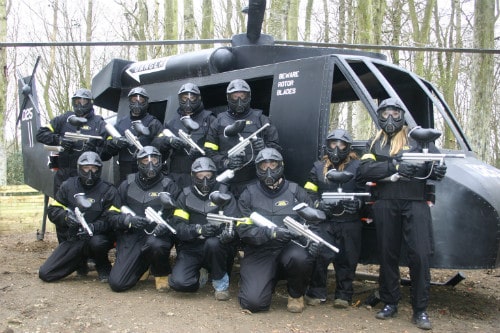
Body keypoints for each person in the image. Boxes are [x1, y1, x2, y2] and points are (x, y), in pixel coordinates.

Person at [357, 98, 447, 330]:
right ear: (379, 116)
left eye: (395, 113)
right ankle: (390, 302)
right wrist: (394, 167)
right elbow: (364, 171)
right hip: (385, 202)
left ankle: (420, 309)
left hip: (415, 202)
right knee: (387, 255)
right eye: (385, 113)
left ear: (402, 115)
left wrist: (437, 169)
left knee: (420, 255)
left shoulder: (418, 138)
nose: (390, 118)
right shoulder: (374, 143)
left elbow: (434, 171)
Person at [235, 148, 318, 313]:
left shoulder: (296, 192)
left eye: (273, 165)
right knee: (253, 303)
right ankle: (264, 281)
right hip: (260, 250)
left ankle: (296, 294)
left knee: (300, 257)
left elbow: (312, 222)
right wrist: (269, 233)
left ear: (280, 166)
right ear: (257, 168)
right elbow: (243, 230)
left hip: (289, 247)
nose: (268, 170)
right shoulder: (249, 194)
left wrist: (310, 241)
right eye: (263, 166)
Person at [303, 129, 365, 308]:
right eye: (333, 144)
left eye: (341, 144)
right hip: (325, 221)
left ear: (348, 147)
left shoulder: (357, 167)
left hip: (350, 221)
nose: (337, 148)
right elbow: (309, 193)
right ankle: (316, 292)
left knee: (348, 259)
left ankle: (344, 295)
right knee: (320, 256)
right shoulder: (317, 167)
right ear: (327, 145)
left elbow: (365, 192)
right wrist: (318, 205)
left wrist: (359, 204)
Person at [36, 88, 107, 242]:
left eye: (84, 101)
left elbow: (107, 148)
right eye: (77, 101)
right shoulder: (64, 119)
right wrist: (59, 140)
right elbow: (41, 134)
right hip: (64, 174)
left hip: (87, 177)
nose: (80, 105)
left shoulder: (98, 123)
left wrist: (94, 149)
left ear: (90, 103)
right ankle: (65, 248)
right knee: (62, 211)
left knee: (88, 211)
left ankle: (86, 250)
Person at [106, 146, 180, 293]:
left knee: (156, 245)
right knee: (117, 284)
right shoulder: (126, 184)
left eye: (154, 159)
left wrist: (166, 226)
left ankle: (161, 272)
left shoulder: (169, 185)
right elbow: (111, 215)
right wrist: (127, 221)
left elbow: (179, 216)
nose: (150, 163)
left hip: (157, 235)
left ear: (160, 161)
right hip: (132, 235)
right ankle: (143, 266)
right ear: (138, 163)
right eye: (145, 160)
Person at [38, 152, 117, 283]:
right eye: (86, 168)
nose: (90, 172)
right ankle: (79, 262)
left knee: (98, 243)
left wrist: (94, 227)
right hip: (75, 237)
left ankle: (103, 266)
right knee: (46, 273)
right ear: (79, 168)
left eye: (94, 168)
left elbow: (111, 219)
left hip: (98, 237)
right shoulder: (68, 186)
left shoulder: (108, 190)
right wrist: (66, 218)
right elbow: (53, 210)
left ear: (99, 169)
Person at [168, 157, 240, 301]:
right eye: (200, 176)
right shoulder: (185, 196)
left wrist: (228, 235)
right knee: (180, 283)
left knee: (213, 244)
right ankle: (200, 272)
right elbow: (178, 227)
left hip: (218, 248)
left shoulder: (225, 193)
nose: (204, 180)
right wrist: (198, 230)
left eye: (208, 175)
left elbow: (235, 222)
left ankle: (221, 284)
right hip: (192, 248)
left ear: (214, 175)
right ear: (193, 176)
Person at [204, 79, 281, 198]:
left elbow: (277, 150)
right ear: (229, 98)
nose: (239, 100)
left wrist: (264, 148)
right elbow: (209, 153)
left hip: (255, 182)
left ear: (249, 97)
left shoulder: (261, 119)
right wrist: (225, 162)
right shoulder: (218, 122)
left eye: (243, 96)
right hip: (227, 183)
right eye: (235, 96)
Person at [152, 83, 216, 189]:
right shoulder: (172, 123)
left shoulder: (209, 119)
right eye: (185, 98)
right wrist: (169, 141)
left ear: (199, 98)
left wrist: (202, 153)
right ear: (179, 99)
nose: (188, 101)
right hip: (177, 176)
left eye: (192, 97)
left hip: (202, 175)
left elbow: (218, 146)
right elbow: (156, 145)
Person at [101, 87, 164, 183]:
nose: (137, 103)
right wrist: (114, 143)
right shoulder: (121, 123)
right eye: (134, 100)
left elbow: (163, 145)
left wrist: (150, 146)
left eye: (140, 100)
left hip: (147, 166)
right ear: (129, 101)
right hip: (126, 166)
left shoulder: (153, 123)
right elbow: (107, 147)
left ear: (146, 102)